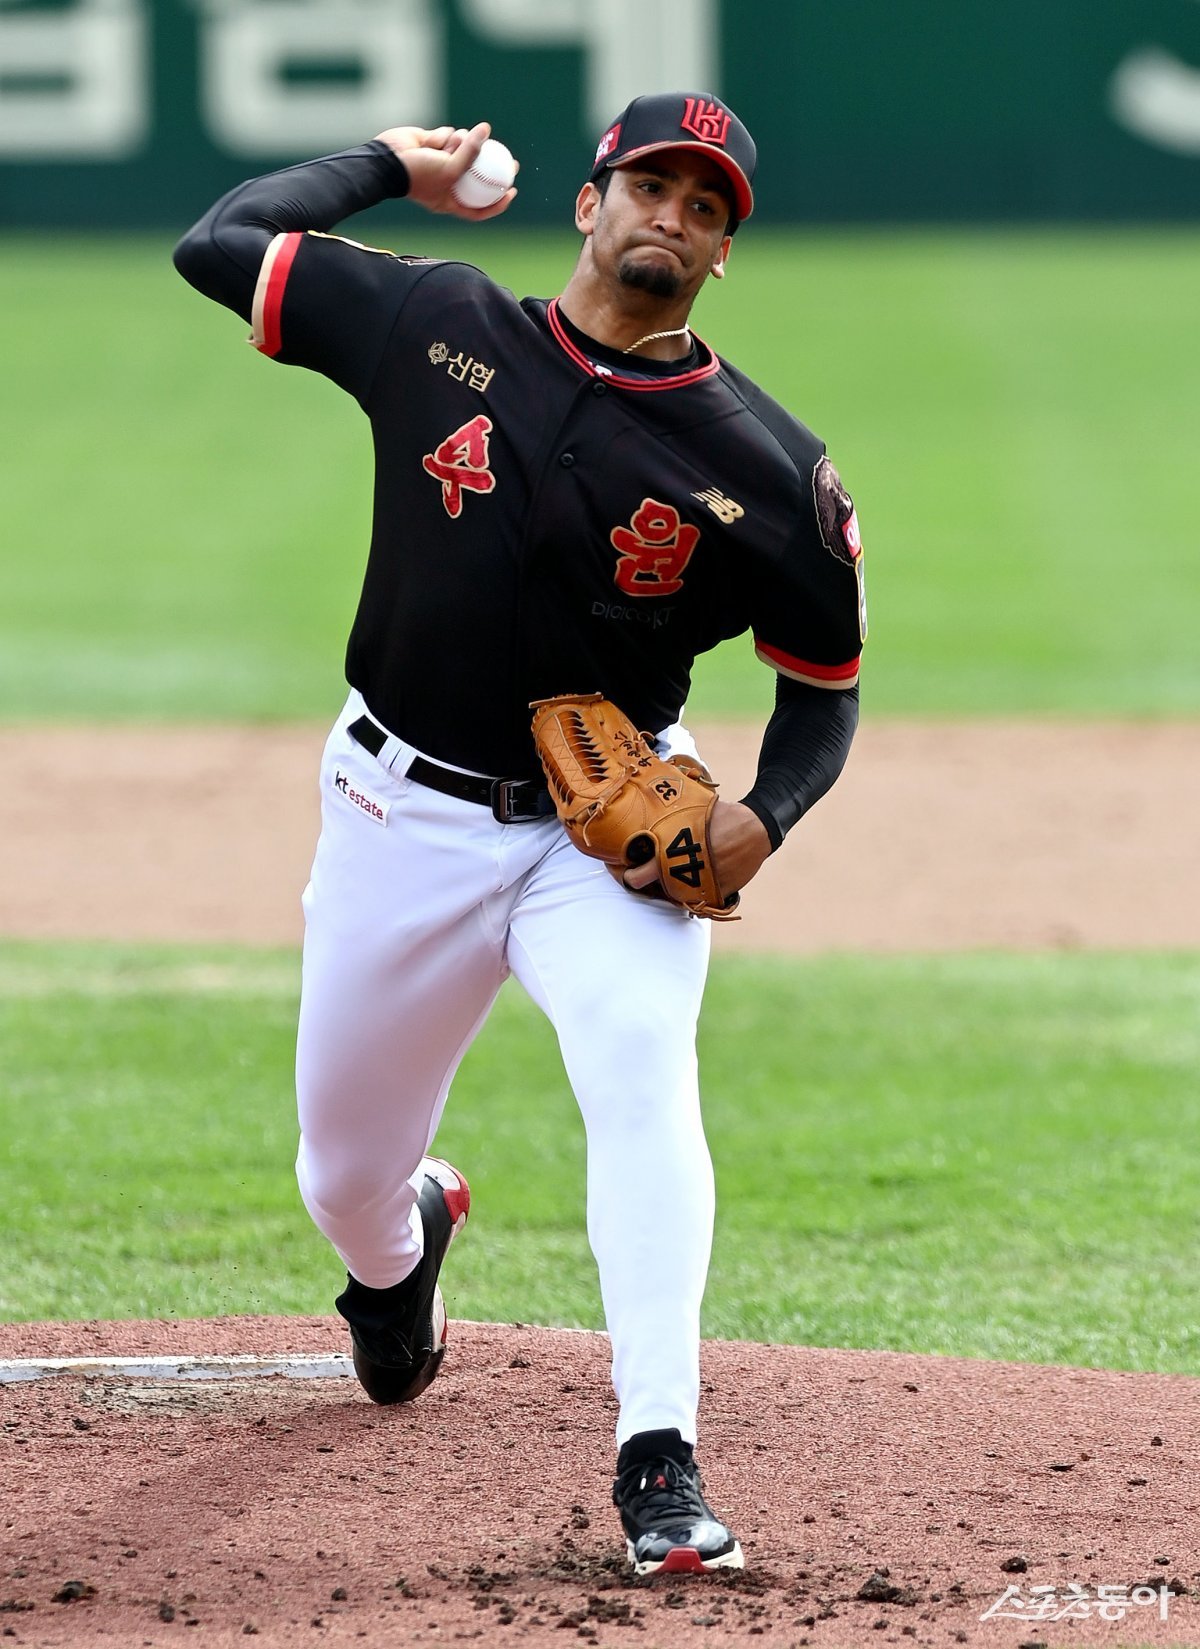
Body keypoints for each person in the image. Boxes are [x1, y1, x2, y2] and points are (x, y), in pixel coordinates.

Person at [173, 91, 866, 1576]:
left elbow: (825, 688)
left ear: (724, 253)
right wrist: (388, 166)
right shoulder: (434, 319)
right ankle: (402, 1254)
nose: (674, 215)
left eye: (707, 205)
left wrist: (764, 816)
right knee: (342, 1174)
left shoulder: (770, 473)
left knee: (640, 1070)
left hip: (598, 845)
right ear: (589, 203)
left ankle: (659, 1453)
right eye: (651, 185)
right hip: (396, 813)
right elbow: (219, 244)